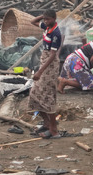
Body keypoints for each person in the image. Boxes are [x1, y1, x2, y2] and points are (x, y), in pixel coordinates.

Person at [28, 10, 65, 138]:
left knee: (48, 96)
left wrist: (40, 71)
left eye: (48, 19)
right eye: (44, 19)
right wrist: (43, 17)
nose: (45, 22)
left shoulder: (56, 33)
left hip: (49, 66)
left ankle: (54, 130)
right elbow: (32, 21)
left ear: (54, 19)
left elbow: (53, 55)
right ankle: (47, 123)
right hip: (44, 62)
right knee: (35, 93)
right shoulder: (47, 27)